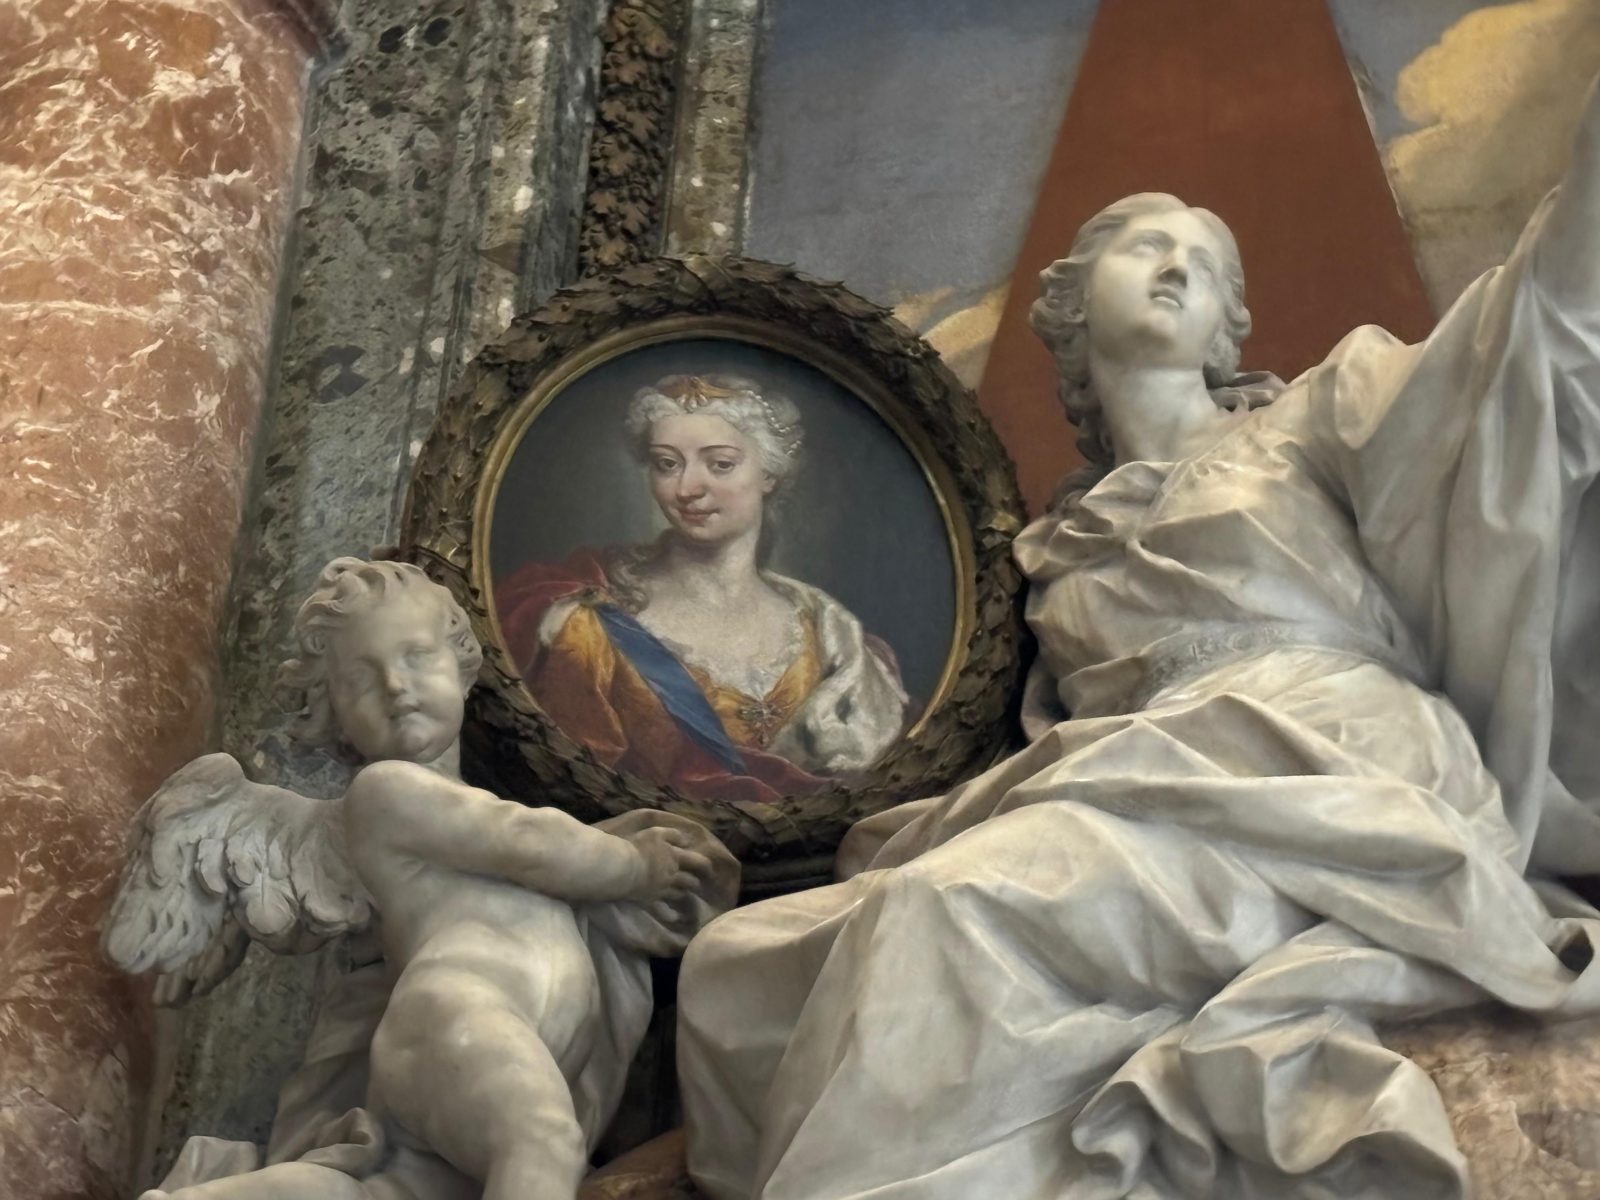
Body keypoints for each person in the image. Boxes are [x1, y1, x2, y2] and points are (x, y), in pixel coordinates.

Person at [674, 76, 1600, 1200]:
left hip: (1315, 757)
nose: (1176, 267)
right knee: (734, 968)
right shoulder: (1043, 555)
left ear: (1226, 329)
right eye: (1147, 245)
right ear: (1069, 305)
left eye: (1204, 264)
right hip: (1134, 782)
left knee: (943, 915)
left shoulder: (1313, 419)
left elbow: (1517, 357)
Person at [118, 558, 738, 1200]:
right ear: (333, 714)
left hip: (495, 1031)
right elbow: (526, 844)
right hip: (455, 1010)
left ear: (463, 666)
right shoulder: (385, 794)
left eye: (415, 656)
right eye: (361, 679)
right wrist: (637, 866)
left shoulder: (453, 814)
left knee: (394, 1190)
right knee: (542, 1143)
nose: (395, 685)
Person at [495, 373, 910, 804]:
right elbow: (577, 792)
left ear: (769, 473)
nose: (686, 489)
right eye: (667, 464)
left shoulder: (831, 632)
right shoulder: (588, 626)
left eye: (720, 464)